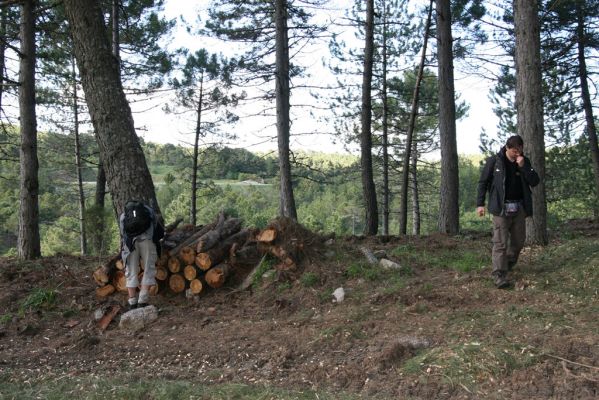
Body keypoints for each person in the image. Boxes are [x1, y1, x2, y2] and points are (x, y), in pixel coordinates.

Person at [476, 135, 540, 288]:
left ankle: (508, 264)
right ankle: (499, 275)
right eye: (514, 151)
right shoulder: (495, 161)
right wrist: (480, 204)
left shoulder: (524, 161)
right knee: (500, 242)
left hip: (519, 208)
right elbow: (483, 182)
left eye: (520, 150)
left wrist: (524, 166)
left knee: (519, 241)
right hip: (500, 208)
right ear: (507, 148)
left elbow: (535, 181)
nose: (517, 153)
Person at [119, 200, 164, 309]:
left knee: (131, 271)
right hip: (147, 241)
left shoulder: (124, 215)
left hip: (131, 244)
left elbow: (123, 232)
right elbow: (157, 228)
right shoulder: (148, 210)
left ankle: (132, 302)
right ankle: (142, 301)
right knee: (149, 269)